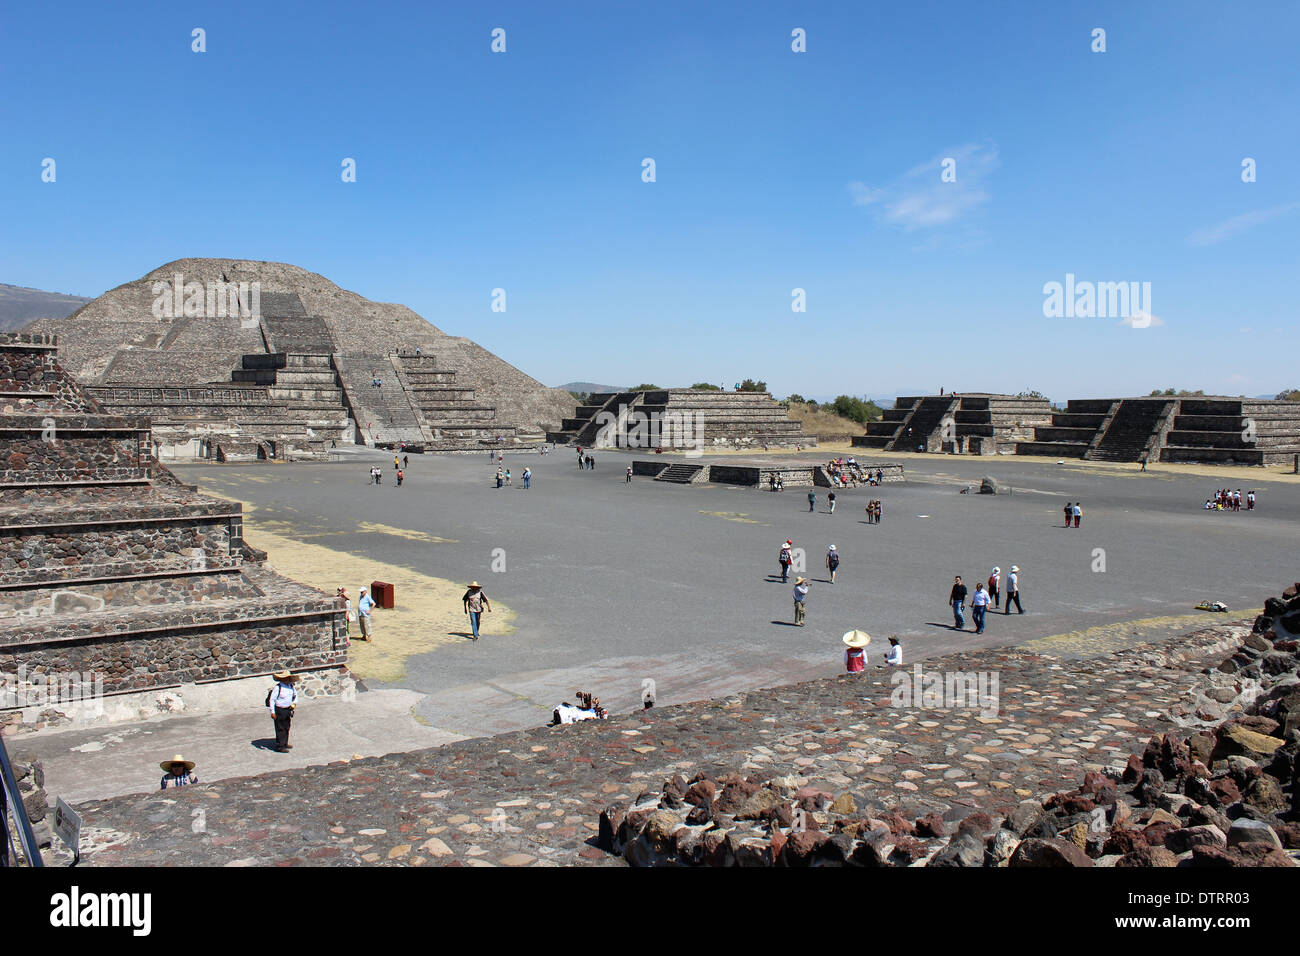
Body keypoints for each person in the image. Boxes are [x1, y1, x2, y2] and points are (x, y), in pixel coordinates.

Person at [267, 670, 299, 752]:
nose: (287, 680)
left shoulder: (291, 687)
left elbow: (295, 696)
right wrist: (272, 712)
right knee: (280, 727)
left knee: (287, 726)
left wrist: (294, 704)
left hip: (287, 709)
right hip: (279, 710)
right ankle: (280, 746)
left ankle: (285, 743)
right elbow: (272, 700)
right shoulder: (278, 688)